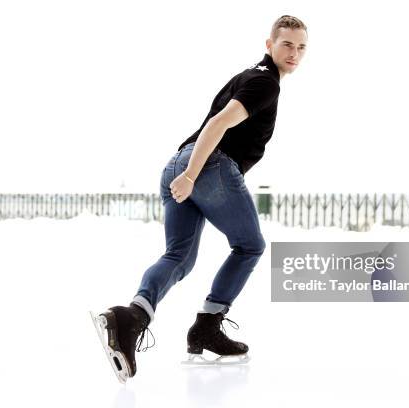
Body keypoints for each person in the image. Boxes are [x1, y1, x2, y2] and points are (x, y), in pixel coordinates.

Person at [92, 15, 308, 384]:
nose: (294, 53)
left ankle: (130, 318)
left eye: (301, 47)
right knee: (250, 245)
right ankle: (207, 326)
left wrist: (187, 170)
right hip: (207, 167)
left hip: (180, 161)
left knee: (179, 257)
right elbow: (218, 124)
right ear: (269, 45)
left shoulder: (248, 76)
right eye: (287, 44)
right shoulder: (264, 83)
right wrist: (193, 175)